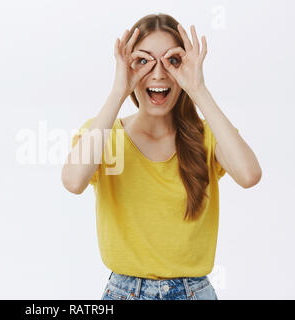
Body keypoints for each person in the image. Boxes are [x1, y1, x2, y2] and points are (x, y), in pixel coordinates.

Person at [61, 13, 262, 300]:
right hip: (124, 293)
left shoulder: (206, 137)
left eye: (172, 61)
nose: (158, 74)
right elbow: (73, 181)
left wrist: (198, 89)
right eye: (143, 61)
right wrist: (119, 90)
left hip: (195, 292)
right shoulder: (107, 136)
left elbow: (249, 174)